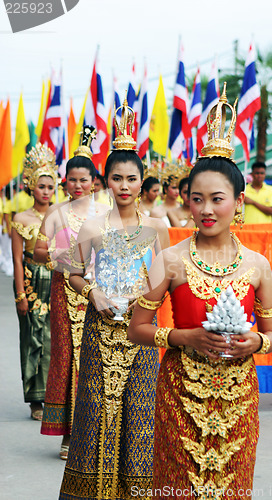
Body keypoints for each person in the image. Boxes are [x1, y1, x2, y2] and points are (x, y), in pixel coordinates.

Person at [128, 84, 272, 499]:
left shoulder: (258, 265)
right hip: (179, 393)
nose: (206, 209)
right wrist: (184, 337)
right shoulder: (171, 260)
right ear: (187, 202)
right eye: (197, 199)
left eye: (217, 199)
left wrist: (256, 341)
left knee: (233, 486)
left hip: (239, 398)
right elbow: (136, 328)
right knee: (177, 487)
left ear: (239, 201)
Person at [59, 98, 169, 499]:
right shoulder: (90, 226)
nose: (124, 186)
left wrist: (146, 304)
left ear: (142, 181)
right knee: (93, 414)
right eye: (116, 178)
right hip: (99, 329)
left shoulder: (158, 227)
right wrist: (95, 292)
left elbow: (161, 281)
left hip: (141, 333)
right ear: (106, 181)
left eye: (131, 178)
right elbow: (71, 273)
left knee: (140, 416)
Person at [33, 126, 99, 460]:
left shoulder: (104, 214)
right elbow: (37, 250)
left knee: (94, 358)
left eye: (83, 179)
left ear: (94, 182)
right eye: (72, 179)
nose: (77, 185)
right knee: (67, 356)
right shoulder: (56, 213)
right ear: (65, 182)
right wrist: (56, 256)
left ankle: (91, 429)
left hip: (96, 292)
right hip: (63, 289)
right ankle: (67, 434)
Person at [11, 144, 57, 421]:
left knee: (55, 340)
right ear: (31, 186)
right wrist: (20, 295)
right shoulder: (21, 219)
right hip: (30, 280)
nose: (46, 191)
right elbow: (17, 259)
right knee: (32, 340)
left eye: (50, 186)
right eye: (41, 186)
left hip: (57, 280)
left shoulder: (60, 215)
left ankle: (54, 396)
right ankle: (35, 400)